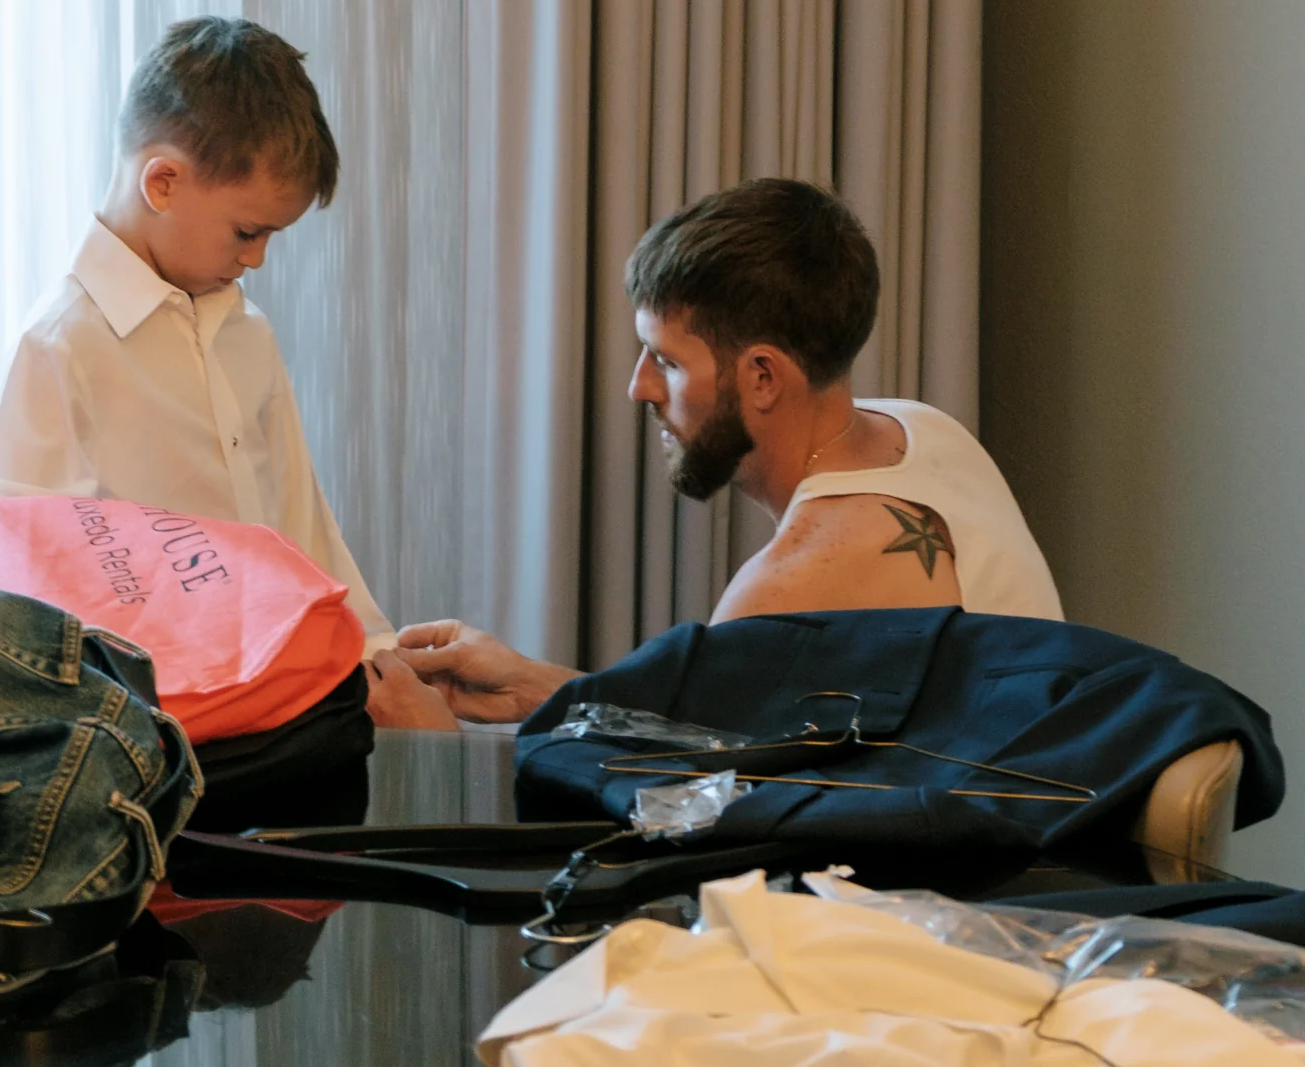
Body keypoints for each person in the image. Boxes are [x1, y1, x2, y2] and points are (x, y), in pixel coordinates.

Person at [378, 176, 1062, 728]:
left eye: (666, 362)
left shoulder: (787, 588)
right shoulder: (925, 430)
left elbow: (671, 815)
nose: (638, 387)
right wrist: (538, 687)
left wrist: (435, 743)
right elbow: (725, 723)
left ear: (762, 377)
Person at [0, 17, 391, 648]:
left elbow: (305, 527)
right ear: (163, 183)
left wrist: (373, 652)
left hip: (280, 680)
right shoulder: (59, 347)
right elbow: (32, 583)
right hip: (158, 709)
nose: (256, 260)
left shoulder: (248, 332)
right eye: (248, 232)